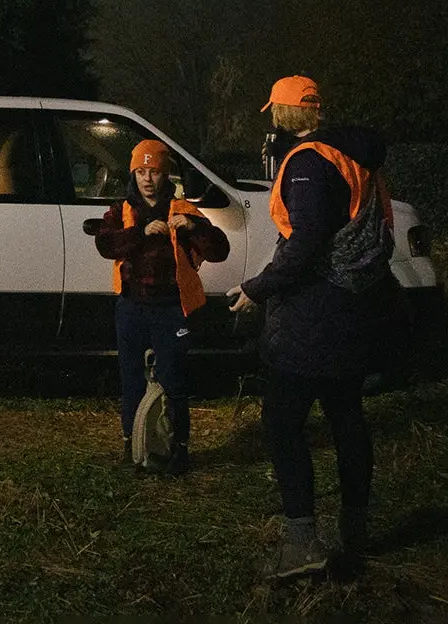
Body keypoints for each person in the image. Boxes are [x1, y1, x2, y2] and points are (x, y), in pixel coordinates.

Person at [227, 75, 389, 579]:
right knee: (347, 417)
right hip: (354, 305)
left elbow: (305, 242)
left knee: (282, 423)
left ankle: (302, 541)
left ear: (280, 113)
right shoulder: (355, 157)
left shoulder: (307, 163)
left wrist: (257, 288)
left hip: (312, 315)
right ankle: (355, 531)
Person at [95, 138, 229, 476]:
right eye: (140, 171)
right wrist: (140, 232)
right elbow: (106, 244)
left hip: (172, 308)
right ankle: (134, 446)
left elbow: (219, 250)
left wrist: (196, 227)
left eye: (153, 171)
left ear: (164, 175)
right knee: (130, 380)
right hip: (131, 307)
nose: (146, 179)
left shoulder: (183, 210)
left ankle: (177, 449)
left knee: (173, 380)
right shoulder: (121, 210)